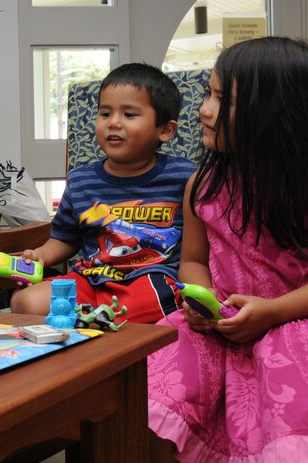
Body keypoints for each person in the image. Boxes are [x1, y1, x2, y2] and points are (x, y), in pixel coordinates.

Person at [147, 37, 308, 463]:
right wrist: (204, 302)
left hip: (305, 318)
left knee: (293, 383)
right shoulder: (202, 184)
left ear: (278, 115)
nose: (205, 109)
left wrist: (273, 311)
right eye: (208, 94)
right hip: (224, 320)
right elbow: (193, 261)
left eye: (224, 100)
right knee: (159, 372)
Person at [11, 63, 195, 323]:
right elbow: (65, 238)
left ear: (165, 130)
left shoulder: (184, 176)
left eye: (129, 115)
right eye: (105, 113)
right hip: (91, 278)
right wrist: (39, 256)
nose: (114, 123)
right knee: (26, 301)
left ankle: (92, 321)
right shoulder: (81, 180)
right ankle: (95, 320)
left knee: (158, 301)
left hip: (151, 278)